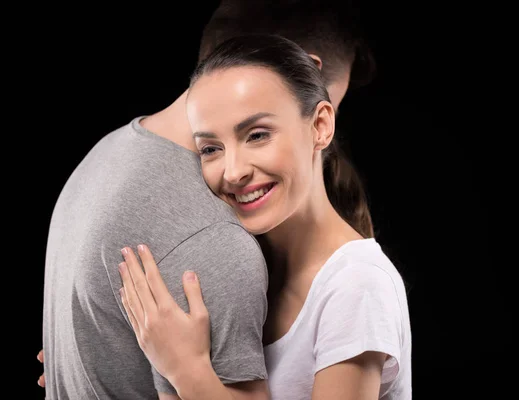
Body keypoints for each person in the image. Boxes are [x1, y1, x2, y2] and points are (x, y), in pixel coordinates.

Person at [39, 1, 376, 399]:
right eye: (330, 104)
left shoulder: (108, 153)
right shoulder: (214, 240)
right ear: (303, 70)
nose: (325, 137)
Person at [118, 34, 411, 399]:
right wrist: (111, 362)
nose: (233, 171)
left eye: (257, 135)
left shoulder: (357, 285)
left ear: (320, 126)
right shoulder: (242, 269)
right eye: (211, 148)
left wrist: (187, 370)